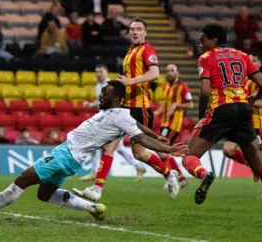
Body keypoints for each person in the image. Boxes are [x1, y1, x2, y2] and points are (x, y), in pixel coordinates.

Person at [0, 81, 188, 221]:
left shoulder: (118, 115)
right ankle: (92, 207)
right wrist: (156, 133)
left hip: (66, 155)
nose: (100, 95)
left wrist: (166, 148)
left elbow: (139, 138)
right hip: (70, 156)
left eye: (105, 93)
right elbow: (137, 126)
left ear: (116, 98)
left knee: (24, 178)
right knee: (44, 194)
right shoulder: (120, 114)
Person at [184, 24, 262, 224]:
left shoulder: (206, 58)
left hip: (221, 108)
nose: (200, 44)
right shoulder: (242, 55)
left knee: (189, 155)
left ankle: (204, 174)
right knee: (258, 163)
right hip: (244, 110)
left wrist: (203, 113)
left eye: (203, 40)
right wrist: (254, 97)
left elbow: (204, 91)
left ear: (214, 41)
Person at [73, 18, 181, 202]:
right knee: (109, 146)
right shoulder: (131, 52)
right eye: (132, 29)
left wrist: (130, 81)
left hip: (140, 108)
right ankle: (97, 189)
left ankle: (170, 174)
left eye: (139, 29)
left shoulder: (147, 50)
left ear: (145, 33)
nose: (135, 32)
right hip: (124, 108)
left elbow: (154, 74)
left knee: (139, 153)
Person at [222, 55, 262, 200]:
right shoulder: (239, 81)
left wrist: (244, 101)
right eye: (249, 60)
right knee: (227, 149)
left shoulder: (258, 81)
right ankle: (252, 166)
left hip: (255, 124)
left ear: (260, 63)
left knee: (258, 159)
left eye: (254, 60)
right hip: (240, 124)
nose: (251, 62)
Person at [153, 64, 192, 187]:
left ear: (177, 73)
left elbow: (190, 105)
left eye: (172, 70)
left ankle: (174, 177)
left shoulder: (183, 87)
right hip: (165, 123)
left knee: (161, 149)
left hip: (174, 124)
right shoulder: (165, 85)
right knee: (164, 151)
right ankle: (178, 178)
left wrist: (176, 105)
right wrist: (158, 111)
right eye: (168, 70)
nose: (169, 73)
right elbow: (164, 103)